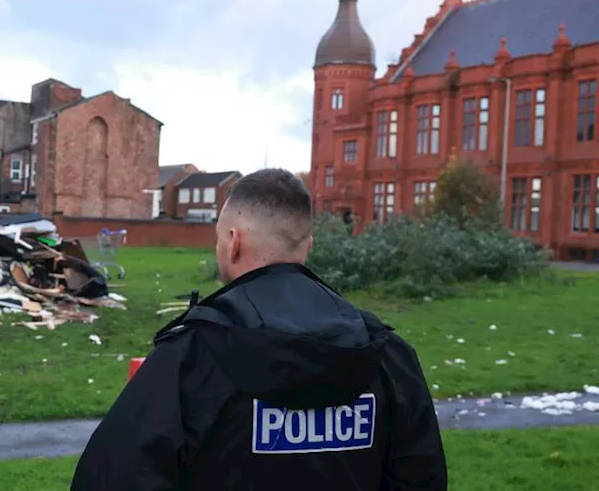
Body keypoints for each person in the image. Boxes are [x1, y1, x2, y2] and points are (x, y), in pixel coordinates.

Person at [71, 168, 447, 490]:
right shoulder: (387, 355)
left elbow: (112, 477)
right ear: (307, 246)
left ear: (233, 243)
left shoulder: (190, 357)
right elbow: (423, 476)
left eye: (220, 237)